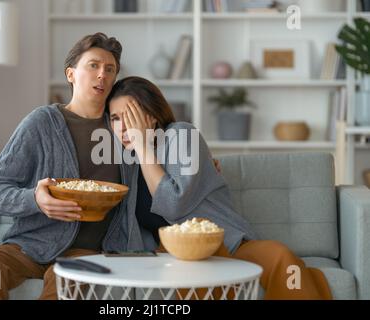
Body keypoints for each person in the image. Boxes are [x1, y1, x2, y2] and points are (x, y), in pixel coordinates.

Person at [106, 76, 332, 300]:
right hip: (173, 258)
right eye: (115, 118)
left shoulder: (180, 134)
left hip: (225, 245)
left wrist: (144, 146)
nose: (123, 126)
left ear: (152, 116)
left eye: (129, 116)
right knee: (193, 270)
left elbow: (172, 204)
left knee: (282, 257)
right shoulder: (124, 162)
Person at [0, 33, 140, 300]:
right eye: (93, 65)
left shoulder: (121, 128)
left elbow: (163, 143)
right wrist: (35, 198)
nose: (102, 75)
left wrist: (199, 159)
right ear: (71, 74)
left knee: (65, 285)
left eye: (110, 69)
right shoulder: (41, 123)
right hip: (29, 247)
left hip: (86, 253)